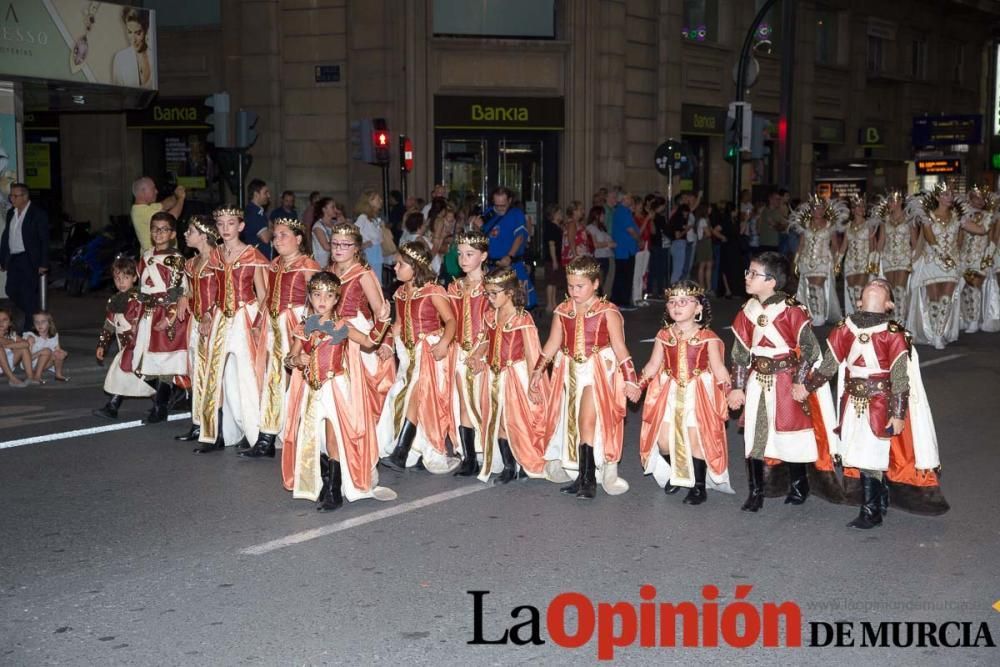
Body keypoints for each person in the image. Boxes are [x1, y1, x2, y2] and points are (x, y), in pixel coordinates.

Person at [802, 279, 949, 528]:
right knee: (855, 452)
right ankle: (879, 502)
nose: (876, 283)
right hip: (851, 403)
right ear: (858, 301)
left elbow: (901, 378)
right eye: (871, 284)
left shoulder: (894, 335)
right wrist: (806, 387)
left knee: (871, 455)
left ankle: (871, 512)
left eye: (883, 286)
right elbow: (828, 366)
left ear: (889, 303)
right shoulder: (844, 328)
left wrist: (898, 414)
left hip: (880, 404)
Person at [727, 251, 842, 512]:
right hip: (758, 381)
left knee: (792, 434)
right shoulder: (747, 310)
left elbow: (810, 349)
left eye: (753, 274)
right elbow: (740, 353)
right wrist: (737, 387)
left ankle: (800, 484)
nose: (747, 277)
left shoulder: (792, 310)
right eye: (748, 272)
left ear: (771, 281)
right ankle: (756, 491)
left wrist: (801, 382)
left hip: (785, 380)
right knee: (756, 436)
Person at [283, 272, 397, 511]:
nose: (322, 299)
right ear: (311, 298)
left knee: (334, 435)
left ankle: (334, 490)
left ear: (336, 299)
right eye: (316, 294)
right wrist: (297, 359)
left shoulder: (342, 326)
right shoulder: (304, 327)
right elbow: (290, 357)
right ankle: (324, 482)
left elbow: (369, 343)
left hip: (336, 388)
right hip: (312, 390)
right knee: (315, 437)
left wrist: (383, 321)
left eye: (328, 295)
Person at [531, 256, 640, 499]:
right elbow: (552, 344)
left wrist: (631, 379)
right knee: (570, 421)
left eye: (580, 286)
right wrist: (537, 371)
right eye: (570, 286)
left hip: (598, 370)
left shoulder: (607, 312)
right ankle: (581, 474)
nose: (574, 291)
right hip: (570, 370)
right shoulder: (563, 310)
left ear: (596, 284)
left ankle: (589, 479)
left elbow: (621, 348)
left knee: (586, 419)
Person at [637, 281, 732, 504]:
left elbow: (719, 369)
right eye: (671, 302)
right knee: (662, 441)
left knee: (695, 438)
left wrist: (730, 392)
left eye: (683, 302)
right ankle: (678, 473)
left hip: (697, 392)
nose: (676, 307)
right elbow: (652, 365)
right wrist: (637, 385)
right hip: (669, 391)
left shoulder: (707, 337)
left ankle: (698, 486)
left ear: (698, 308)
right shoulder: (663, 335)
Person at [377, 243, 458, 473]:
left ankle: (401, 452)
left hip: (430, 351)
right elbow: (399, 324)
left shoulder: (432, 291)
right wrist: (388, 343)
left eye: (400, 264)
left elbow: (451, 321)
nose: (395, 267)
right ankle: (415, 448)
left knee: (417, 392)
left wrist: (443, 343)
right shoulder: (401, 293)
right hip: (409, 353)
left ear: (415, 266)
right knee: (399, 395)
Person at [243, 218, 320, 458]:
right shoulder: (275, 264)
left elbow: (318, 301)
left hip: (296, 324)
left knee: (298, 380)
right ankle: (268, 436)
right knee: (273, 378)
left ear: (298, 239)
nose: (277, 240)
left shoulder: (308, 265)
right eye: (275, 236)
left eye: (283, 235)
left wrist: (307, 330)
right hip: (275, 325)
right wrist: (258, 322)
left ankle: (295, 434)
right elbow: (266, 296)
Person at [195, 207, 269, 453]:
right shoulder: (216, 255)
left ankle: (255, 433)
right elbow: (214, 291)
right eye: (220, 224)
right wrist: (206, 314)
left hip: (245, 316)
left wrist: (259, 323)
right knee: (215, 374)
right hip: (220, 318)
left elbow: (264, 294)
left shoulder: (253, 256)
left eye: (230, 223)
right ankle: (215, 434)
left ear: (241, 226)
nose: (225, 229)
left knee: (247, 376)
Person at [468, 268, 550, 483]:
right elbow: (486, 340)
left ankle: (523, 460)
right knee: (499, 419)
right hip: (494, 374)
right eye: (488, 294)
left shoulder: (522, 318)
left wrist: (534, 382)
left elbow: (533, 351)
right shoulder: (490, 316)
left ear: (511, 292)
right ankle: (508, 465)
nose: (490, 298)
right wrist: (477, 355)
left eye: (495, 293)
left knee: (518, 420)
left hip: (516, 374)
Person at [905, 182, 986, 349]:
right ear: (937, 197)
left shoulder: (958, 216)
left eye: (951, 194)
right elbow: (929, 238)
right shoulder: (928, 216)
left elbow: (980, 230)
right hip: (931, 262)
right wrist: (942, 256)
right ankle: (935, 330)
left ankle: (938, 335)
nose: (949, 197)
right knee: (933, 300)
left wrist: (990, 220)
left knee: (946, 298)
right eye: (945, 194)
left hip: (952, 263)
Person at [130, 212, 189, 424]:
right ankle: (177, 392)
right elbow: (142, 289)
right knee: (140, 363)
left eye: (164, 229)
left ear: (172, 234)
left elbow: (180, 291)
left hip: (166, 314)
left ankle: (160, 407)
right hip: (148, 313)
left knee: (163, 364)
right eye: (155, 228)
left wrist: (170, 317)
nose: (159, 233)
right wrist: (135, 318)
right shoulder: (146, 256)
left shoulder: (178, 259)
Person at [446, 230, 491, 477]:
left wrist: (481, 351)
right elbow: (449, 320)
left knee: (482, 400)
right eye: (460, 254)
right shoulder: (454, 286)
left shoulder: (491, 287)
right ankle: (469, 456)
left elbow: (494, 322)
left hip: (482, 351)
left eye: (470, 254)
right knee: (462, 400)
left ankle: (489, 450)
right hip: (459, 351)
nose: (463, 259)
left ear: (483, 256)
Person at [174, 215, 220, 444]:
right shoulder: (191, 263)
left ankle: (214, 427)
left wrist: (211, 314)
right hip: (196, 321)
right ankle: (198, 423)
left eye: (190, 230)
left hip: (213, 322)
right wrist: (184, 296)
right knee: (196, 371)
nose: (185, 234)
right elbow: (189, 290)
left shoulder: (218, 260)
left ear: (203, 235)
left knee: (211, 372)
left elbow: (225, 291)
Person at [93, 258, 155, 416]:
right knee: (141, 376)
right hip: (125, 345)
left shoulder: (139, 299)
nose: (121, 282)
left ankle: (112, 406)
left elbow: (147, 318)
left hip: (136, 345)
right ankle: (162, 401)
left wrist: (138, 324)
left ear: (134, 278)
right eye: (117, 278)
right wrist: (102, 344)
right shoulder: (114, 301)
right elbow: (109, 325)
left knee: (120, 373)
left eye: (126, 278)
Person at [789, 196, 848, 327]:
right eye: (816, 208)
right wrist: (795, 261)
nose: (818, 211)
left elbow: (835, 245)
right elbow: (801, 244)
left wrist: (836, 262)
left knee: (817, 286)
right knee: (811, 287)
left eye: (821, 208)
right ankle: (815, 313)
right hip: (807, 260)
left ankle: (820, 315)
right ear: (811, 210)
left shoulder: (830, 225)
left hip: (823, 260)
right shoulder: (806, 225)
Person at [474, 187, 537, 309]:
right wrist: (477, 227)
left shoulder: (516, 214)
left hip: (511, 264)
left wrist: (510, 255)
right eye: (496, 205)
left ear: (509, 201)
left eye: (502, 205)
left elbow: (519, 237)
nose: (499, 208)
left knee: (516, 299)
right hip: (492, 266)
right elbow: (481, 237)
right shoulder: (489, 213)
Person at [1, 183, 50, 331]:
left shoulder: (37, 214)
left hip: (29, 260)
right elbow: (6, 237)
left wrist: (44, 263)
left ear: (25, 197)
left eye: (15, 196)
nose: (12, 199)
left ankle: (29, 330)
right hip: (14, 259)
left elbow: (44, 240)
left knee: (28, 295)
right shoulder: (11, 213)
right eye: (11, 196)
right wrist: (3, 259)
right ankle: (35, 313)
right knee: (11, 290)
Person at [871, 191, 916, 320]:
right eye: (889, 201)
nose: (889, 204)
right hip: (888, 258)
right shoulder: (885, 220)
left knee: (900, 289)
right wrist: (875, 258)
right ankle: (894, 318)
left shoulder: (909, 219)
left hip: (904, 257)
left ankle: (901, 320)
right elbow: (881, 241)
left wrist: (916, 259)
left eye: (892, 201)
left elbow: (914, 241)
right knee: (892, 290)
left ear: (900, 202)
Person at [957, 186, 995, 334]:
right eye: (976, 198)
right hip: (965, 257)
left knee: (974, 286)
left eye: (981, 198)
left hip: (980, 256)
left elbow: (988, 233)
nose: (979, 201)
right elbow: (959, 237)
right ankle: (967, 318)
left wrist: (989, 255)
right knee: (964, 289)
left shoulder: (989, 215)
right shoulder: (964, 215)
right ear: (970, 199)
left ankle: (974, 321)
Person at [841, 195, 878, 316]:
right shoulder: (848, 226)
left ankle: (862, 315)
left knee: (859, 289)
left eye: (863, 206)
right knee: (851, 291)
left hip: (864, 262)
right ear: (853, 209)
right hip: (850, 262)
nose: (861, 208)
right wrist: (837, 262)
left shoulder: (869, 225)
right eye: (858, 206)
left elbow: (873, 245)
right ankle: (858, 315)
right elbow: (844, 246)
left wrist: (872, 262)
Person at [129, 177, 185, 254]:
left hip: (164, 256)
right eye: (153, 189)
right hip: (154, 260)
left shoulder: (148, 207)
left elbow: (165, 204)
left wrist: (176, 194)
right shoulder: (140, 211)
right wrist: (181, 198)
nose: (156, 191)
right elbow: (172, 217)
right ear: (143, 191)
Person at [112, 8, 155, 89]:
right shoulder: (120, 59)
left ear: (146, 30)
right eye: (129, 32)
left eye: (138, 33)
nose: (133, 40)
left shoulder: (154, 56)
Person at [610, 192, 639, 309]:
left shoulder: (623, 211)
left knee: (622, 275)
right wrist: (639, 239)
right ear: (623, 199)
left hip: (625, 250)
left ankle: (618, 299)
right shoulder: (622, 211)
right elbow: (630, 230)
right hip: (624, 250)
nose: (631, 199)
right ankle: (622, 301)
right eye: (629, 197)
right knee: (625, 276)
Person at [24, 311, 69, 383]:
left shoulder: (54, 335)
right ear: (33, 324)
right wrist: (40, 353)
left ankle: (58, 375)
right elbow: (26, 359)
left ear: (49, 323)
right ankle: (37, 377)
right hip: (31, 365)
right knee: (46, 351)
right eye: (36, 322)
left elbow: (58, 350)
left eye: (43, 321)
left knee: (58, 353)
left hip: (46, 363)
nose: (40, 324)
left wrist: (64, 353)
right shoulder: (30, 337)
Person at [354, 189, 385, 285]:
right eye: (377, 198)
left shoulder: (374, 218)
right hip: (369, 252)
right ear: (369, 201)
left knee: (377, 281)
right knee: (372, 282)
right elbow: (354, 231)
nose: (380, 200)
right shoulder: (363, 217)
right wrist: (361, 245)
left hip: (377, 252)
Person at [586, 205, 616, 292]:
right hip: (598, 257)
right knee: (598, 281)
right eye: (602, 215)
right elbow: (595, 244)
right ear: (596, 216)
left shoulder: (602, 228)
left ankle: (603, 300)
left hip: (607, 256)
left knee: (606, 281)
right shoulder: (591, 228)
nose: (604, 217)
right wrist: (608, 244)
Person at [0, 307, 32, 387]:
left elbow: (26, 344)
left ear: (10, 323)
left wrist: (8, 345)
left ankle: (31, 377)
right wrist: (11, 343)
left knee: (23, 348)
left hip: (9, 364)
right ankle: (12, 378)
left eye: (5, 320)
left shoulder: (11, 335)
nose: (1, 322)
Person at [243, 179, 273, 259]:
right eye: (265, 192)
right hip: (258, 260)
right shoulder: (253, 213)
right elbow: (265, 238)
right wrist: (273, 228)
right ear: (256, 194)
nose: (269, 195)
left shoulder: (259, 212)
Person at [543, 203, 564, 313]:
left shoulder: (557, 227)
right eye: (559, 213)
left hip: (557, 258)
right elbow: (551, 244)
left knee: (554, 281)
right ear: (553, 214)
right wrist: (554, 260)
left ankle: (554, 302)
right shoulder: (551, 227)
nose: (561, 215)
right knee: (550, 282)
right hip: (551, 258)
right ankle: (549, 304)